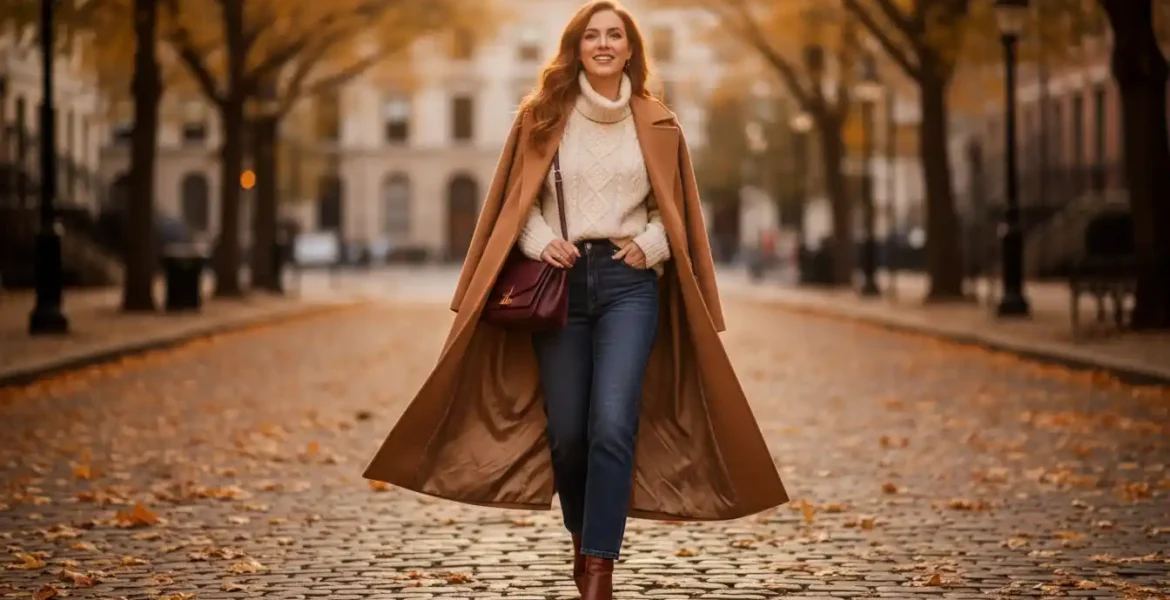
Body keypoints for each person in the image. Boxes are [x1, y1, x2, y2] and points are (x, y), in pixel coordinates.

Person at [363, 2, 788, 599]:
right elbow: (520, 202)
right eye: (593, 35)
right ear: (576, 47)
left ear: (632, 49)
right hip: (559, 286)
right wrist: (542, 242)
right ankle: (582, 534)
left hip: (628, 285)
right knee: (566, 431)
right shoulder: (543, 116)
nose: (605, 43)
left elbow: (678, 211)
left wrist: (650, 244)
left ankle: (597, 569)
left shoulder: (660, 122)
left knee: (612, 424)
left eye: (616, 34)